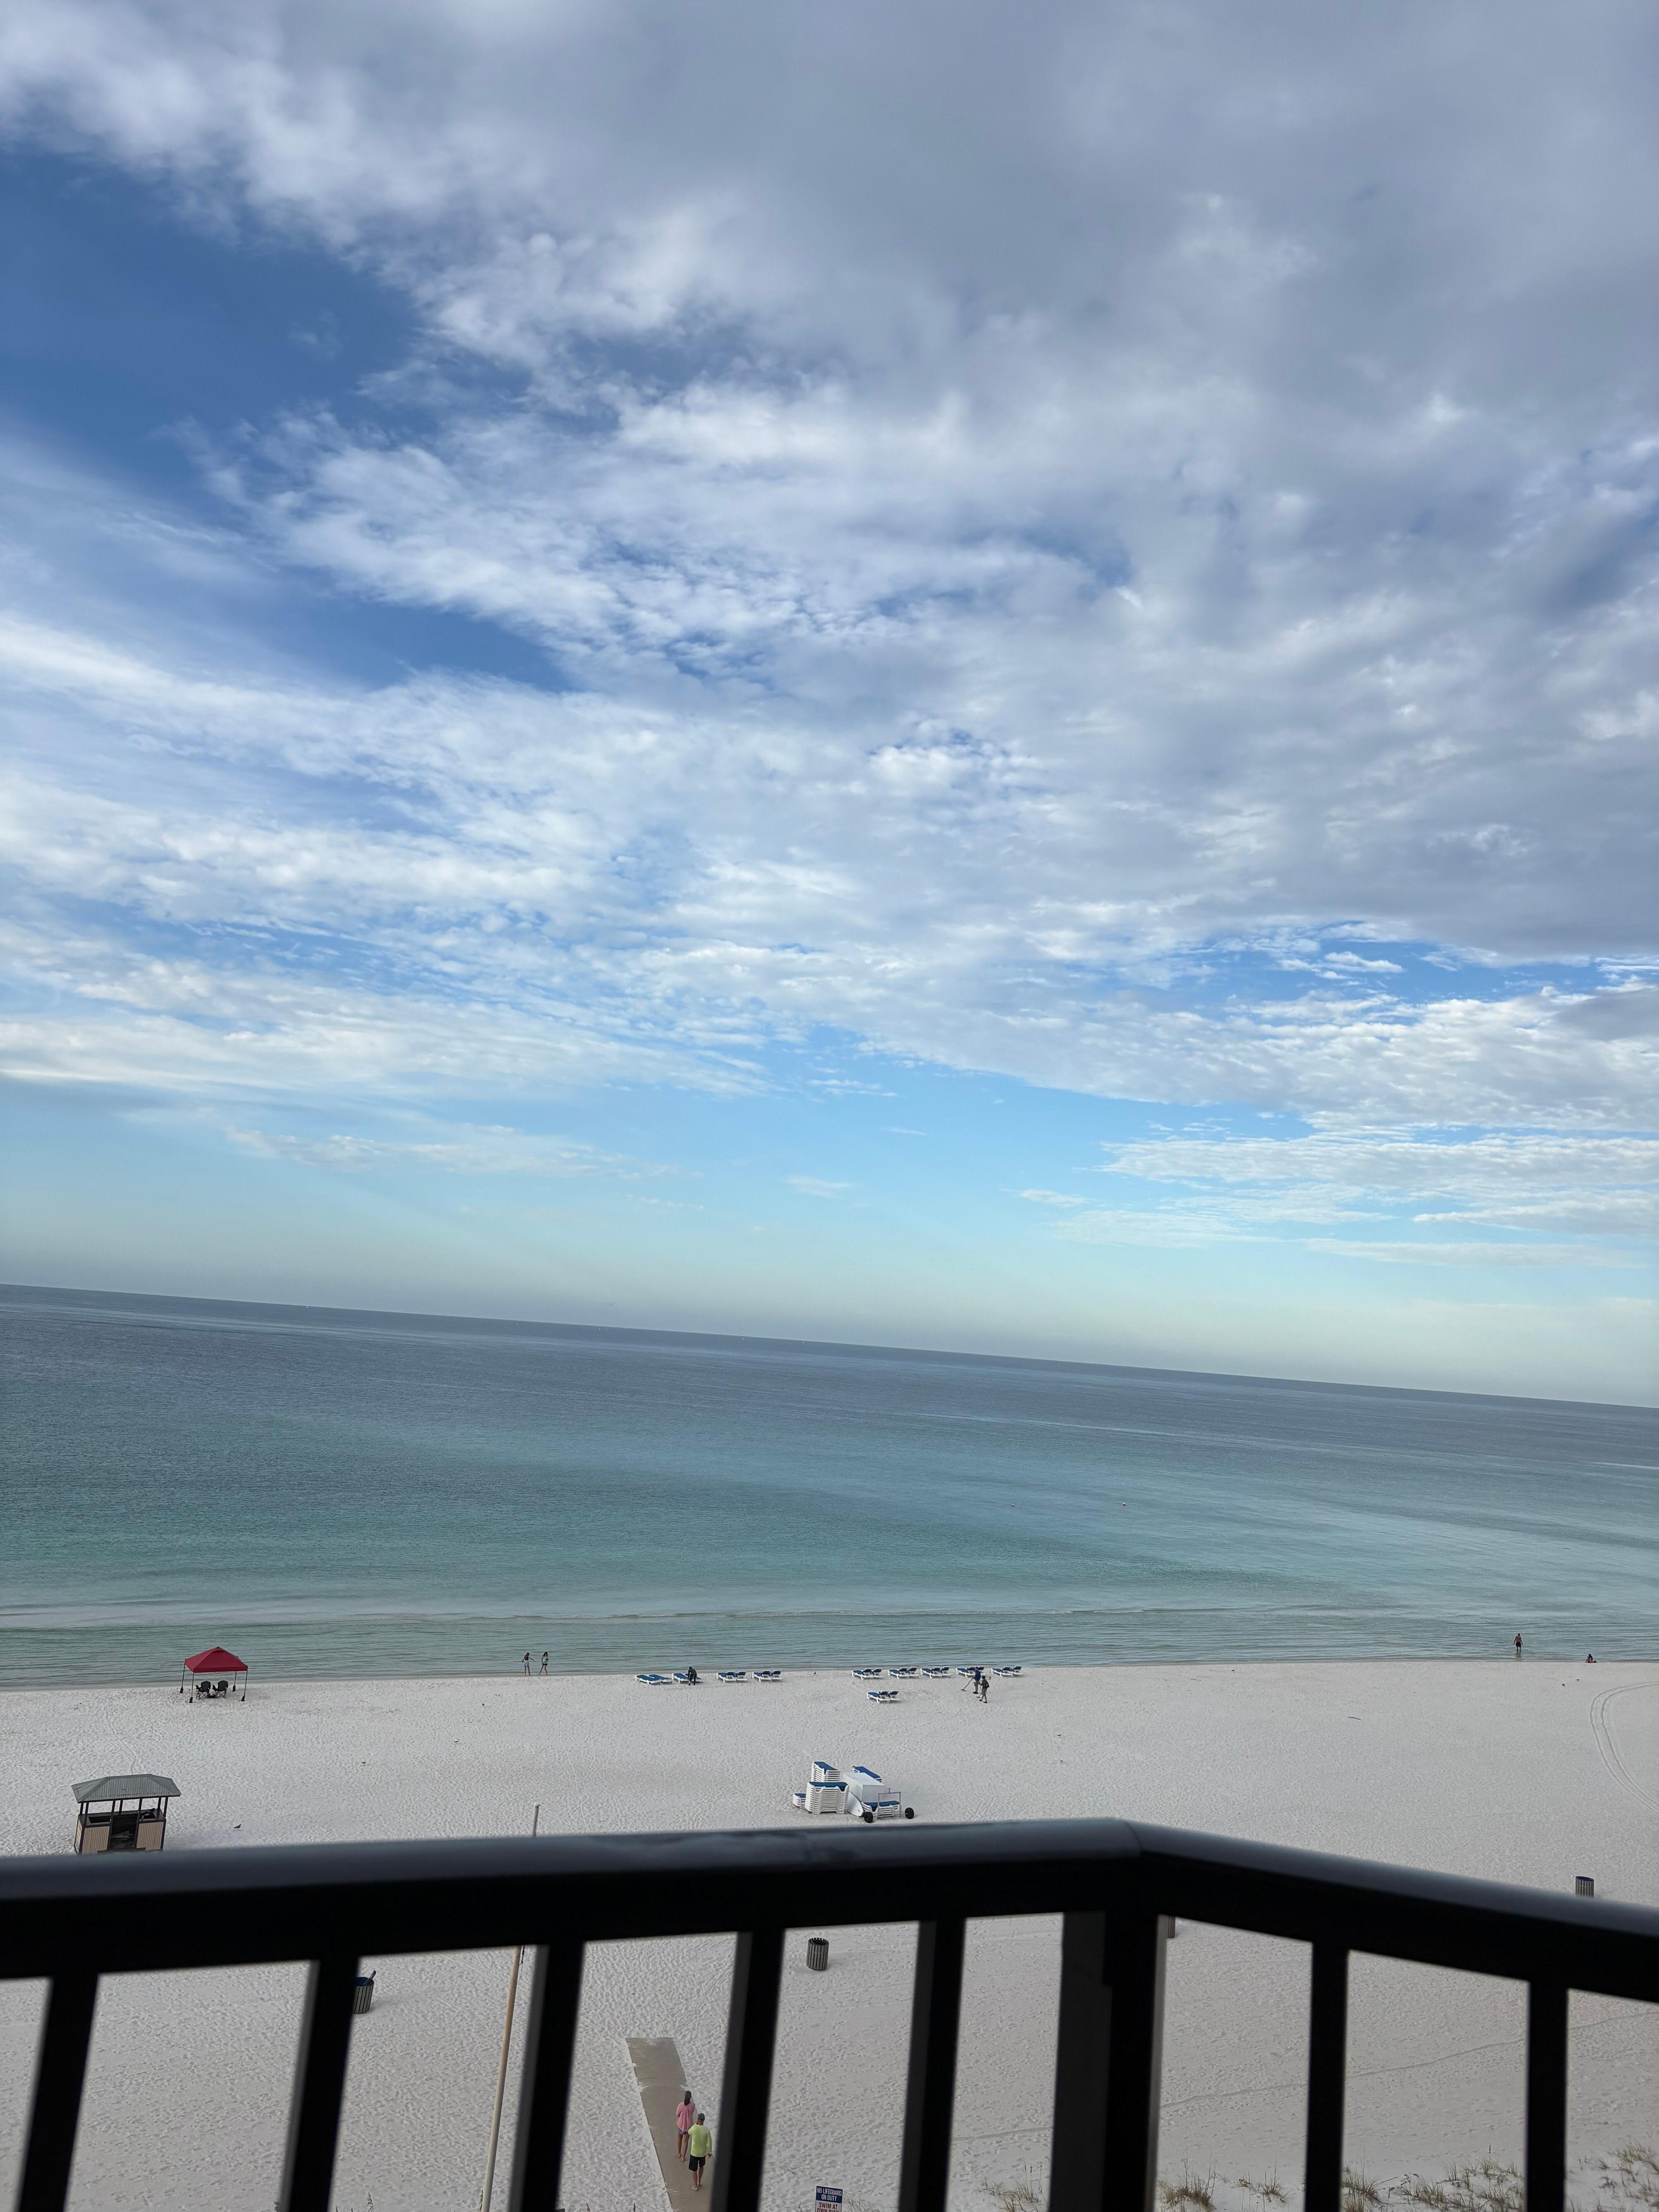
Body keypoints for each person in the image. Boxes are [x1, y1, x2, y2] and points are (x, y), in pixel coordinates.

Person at [687, 2111, 712, 2189]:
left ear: (698, 2120)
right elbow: (709, 2142)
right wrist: (710, 2152)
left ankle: (695, 2186)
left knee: (694, 2170)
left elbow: (689, 2132)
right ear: (704, 2120)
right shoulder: (707, 2130)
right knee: (701, 2167)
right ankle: (699, 2182)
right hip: (703, 2153)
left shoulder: (694, 2128)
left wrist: (695, 2124)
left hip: (694, 2153)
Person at [675, 2089, 694, 2162]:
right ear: (690, 2097)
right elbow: (692, 2112)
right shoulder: (692, 2105)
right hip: (689, 2126)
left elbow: (678, 2114)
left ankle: (679, 2153)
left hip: (681, 2125)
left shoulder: (681, 2105)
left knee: (680, 2138)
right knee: (686, 2142)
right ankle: (683, 2157)